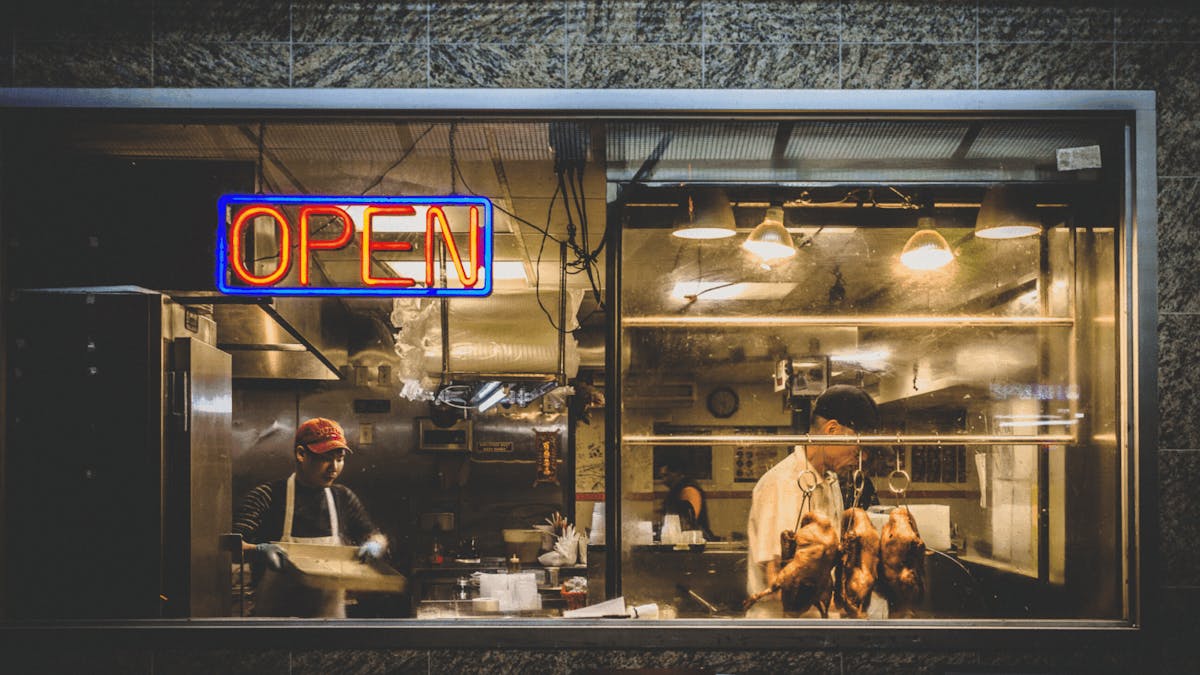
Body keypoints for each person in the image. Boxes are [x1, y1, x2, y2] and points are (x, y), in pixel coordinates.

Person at [745, 385, 884, 618]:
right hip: (782, 631)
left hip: (817, 624)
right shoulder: (781, 484)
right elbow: (780, 587)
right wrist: (850, 610)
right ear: (832, 429)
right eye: (858, 446)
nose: (863, 457)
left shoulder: (830, 481)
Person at [233, 417, 388, 617]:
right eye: (325, 458)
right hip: (276, 624)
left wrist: (375, 545)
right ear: (301, 454)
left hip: (329, 622)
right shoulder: (267, 495)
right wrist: (258, 551)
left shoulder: (342, 497)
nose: (334, 467)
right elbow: (231, 546)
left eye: (339, 458)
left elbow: (373, 534)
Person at [657, 455, 715, 542]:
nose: (663, 481)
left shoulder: (688, 490)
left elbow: (689, 522)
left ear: (677, 473)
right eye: (661, 477)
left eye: (666, 475)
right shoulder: (676, 491)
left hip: (693, 540)